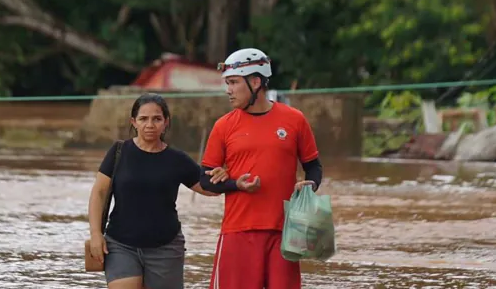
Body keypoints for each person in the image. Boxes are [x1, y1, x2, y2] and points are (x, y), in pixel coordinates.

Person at [199, 48, 323, 289]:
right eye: (227, 83)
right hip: (238, 232)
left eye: (234, 82)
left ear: (256, 81)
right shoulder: (223, 126)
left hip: (286, 232)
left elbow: (314, 166)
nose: (228, 90)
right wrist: (235, 184)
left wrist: (312, 185)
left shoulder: (295, 119)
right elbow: (204, 181)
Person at [88, 93, 228, 289]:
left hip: (166, 248)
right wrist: (95, 234)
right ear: (133, 122)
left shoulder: (177, 159)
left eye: (157, 119)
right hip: (120, 245)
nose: (150, 124)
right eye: (143, 119)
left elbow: (209, 188)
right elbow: (99, 193)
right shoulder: (119, 152)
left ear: (166, 122)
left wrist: (225, 173)